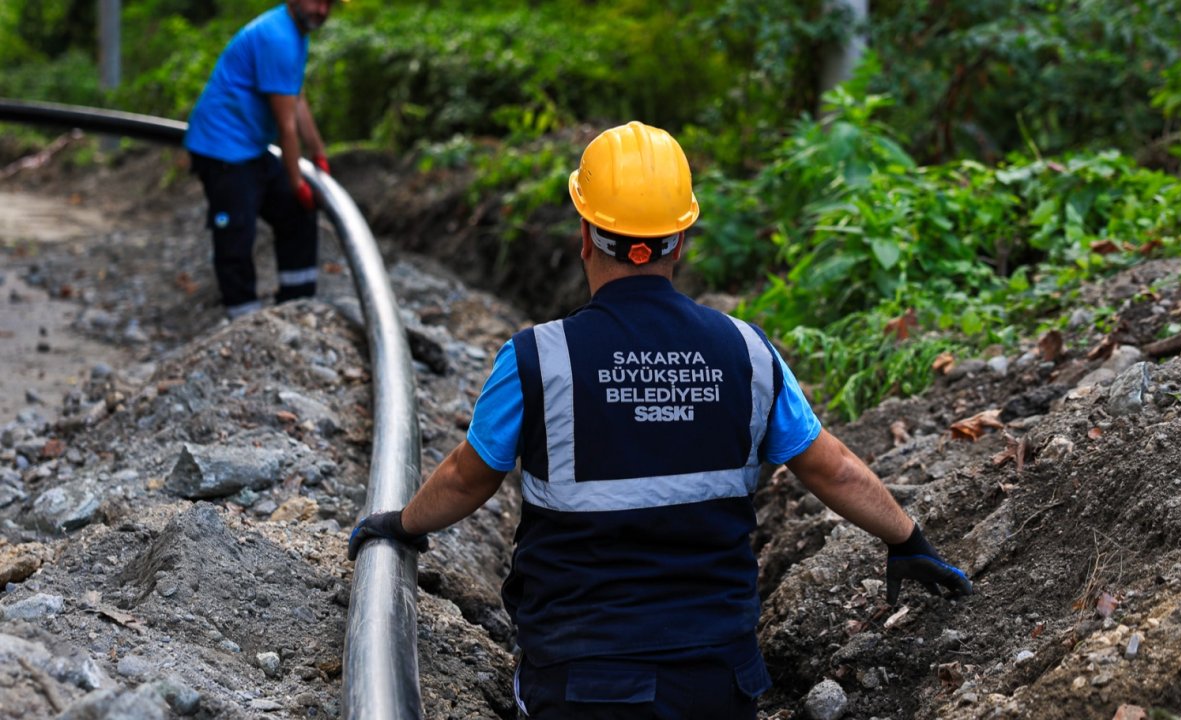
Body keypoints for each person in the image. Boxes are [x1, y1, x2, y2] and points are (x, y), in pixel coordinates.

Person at [347, 121, 973, 718]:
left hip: (581, 676)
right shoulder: (747, 352)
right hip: (716, 680)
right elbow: (830, 466)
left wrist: (400, 525)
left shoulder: (539, 356)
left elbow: (467, 476)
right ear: (681, 240)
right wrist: (906, 538)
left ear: (585, 234)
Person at [183, 0, 337, 319]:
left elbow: (297, 97)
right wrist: (297, 182)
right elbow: (286, 126)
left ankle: (298, 306)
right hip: (222, 148)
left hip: (251, 148)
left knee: (297, 214)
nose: (321, 10)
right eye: (316, 1)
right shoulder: (277, 37)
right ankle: (244, 321)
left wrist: (319, 152)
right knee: (236, 234)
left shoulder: (296, 31)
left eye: (328, 4)